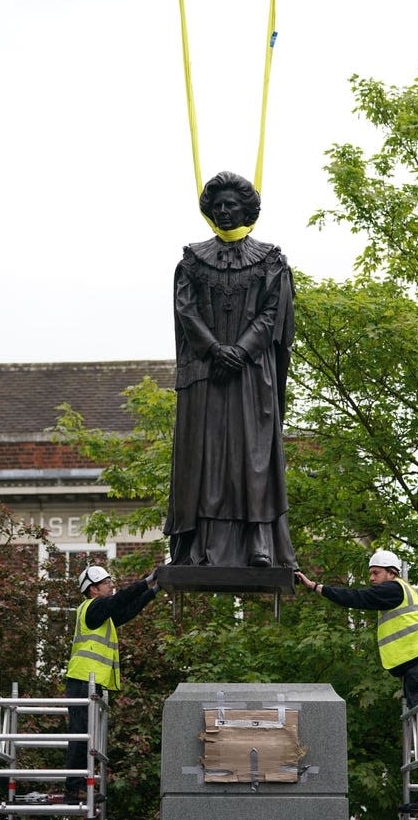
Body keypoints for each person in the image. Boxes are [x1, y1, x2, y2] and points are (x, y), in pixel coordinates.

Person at [164, 171, 297, 569]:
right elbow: (185, 310)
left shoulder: (271, 260)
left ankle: (258, 541)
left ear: (247, 209)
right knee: (201, 461)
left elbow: (274, 313)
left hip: (251, 376)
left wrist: (239, 350)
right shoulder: (191, 260)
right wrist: (214, 350)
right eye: (217, 204)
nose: (223, 210)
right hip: (205, 375)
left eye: (231, 204)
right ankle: (196, 547)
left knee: (251, 458)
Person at [295, 550, 418, 811]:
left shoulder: (393, 589)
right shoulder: (397, 591)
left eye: (376, 573)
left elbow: (356, 597)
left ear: (391, 572)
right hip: (414, 664)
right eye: (370, 574)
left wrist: (316, 587)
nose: (372, 578)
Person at [64, 564, 158, 804]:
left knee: (87, 735)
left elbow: (126, 611)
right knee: (81, 734)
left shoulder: (101, 615)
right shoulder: (93, 608)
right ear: (93, 590)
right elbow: (120, 601)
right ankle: (74, 789)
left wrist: (152, 591)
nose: (111, 585)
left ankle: (79, 786)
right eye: (106, 583)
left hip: (89, 682)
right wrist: (146, 581)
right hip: (84, 679)